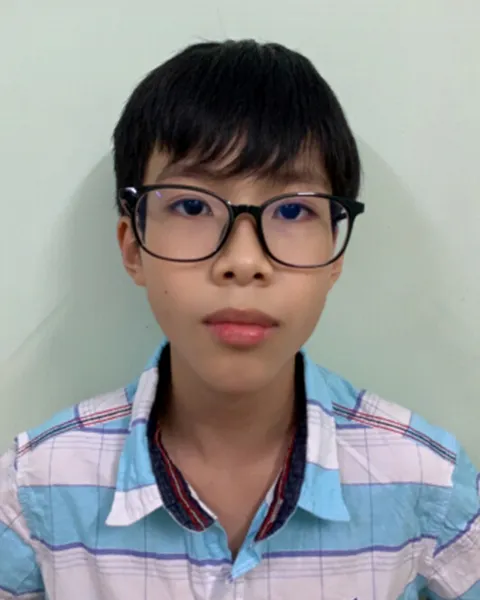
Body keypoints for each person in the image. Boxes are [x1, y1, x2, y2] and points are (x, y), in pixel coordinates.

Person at [0, 39, 478, 600]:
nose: (244, 261)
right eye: (192, 205)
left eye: (293, 209)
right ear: (132, 246)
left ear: (335, 253)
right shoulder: (34, 495)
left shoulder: (430, 487)